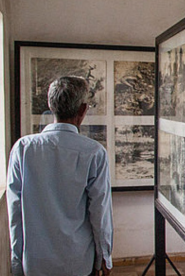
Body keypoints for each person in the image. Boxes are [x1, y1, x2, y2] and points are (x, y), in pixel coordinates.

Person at [7, 76, 113, 276]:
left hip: (35, 263)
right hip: (78, 262)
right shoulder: (94, 152)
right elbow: (100, 213)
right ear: (83, 110)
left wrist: (16, 261)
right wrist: (104, 258)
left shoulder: (23, 149)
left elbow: (15, 212)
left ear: (50, 105)